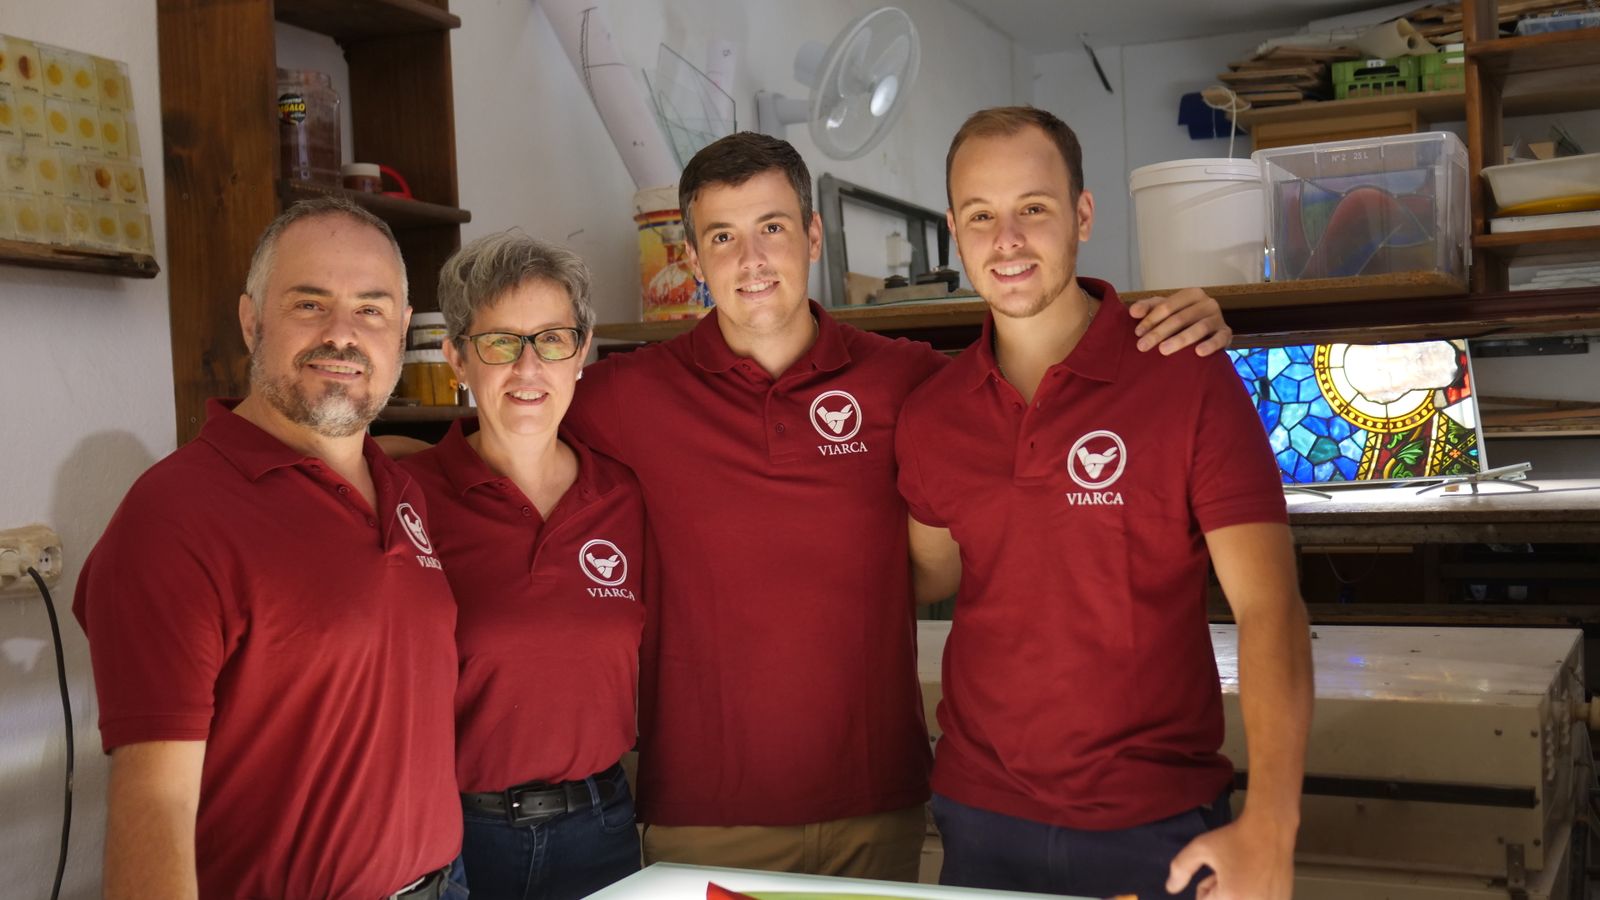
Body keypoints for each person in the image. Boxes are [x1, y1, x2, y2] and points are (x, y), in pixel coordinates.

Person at [555, 131, 1239, 881]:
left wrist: (1166, 318)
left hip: (879, 802)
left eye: (773, 227)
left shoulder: (907, 380)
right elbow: (504, 437)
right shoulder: (626, 397)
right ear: (691, 257)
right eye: (723, 236)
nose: (751, 259)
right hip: (708, 812)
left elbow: (1038, 339)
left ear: (813, 235)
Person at [896, 106, 1312, 900]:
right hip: (980, 815)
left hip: (1154, 820)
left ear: (1083, 215)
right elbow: (931, 569)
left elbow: (1271, 609)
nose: (1007, 240)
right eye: (981, 216)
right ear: (955, 230)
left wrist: (1272, 822)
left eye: (1034, 209)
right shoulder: (932, 412)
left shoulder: (1185, 374)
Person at [72, 197, 464, 899]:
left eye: (372, 310)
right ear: (252, 320)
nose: (343, 335)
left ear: (403, 331)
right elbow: (154, 804)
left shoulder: (404, 493)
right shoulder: (172, 519)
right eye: (310, 305)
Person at [398, 232, 647, 900]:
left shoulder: (625, 496)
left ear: (582, 351)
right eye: (501, 342)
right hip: (455, 842)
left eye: (553, 339)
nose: (529, 367)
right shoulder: (405, 496)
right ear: (456, 358)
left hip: (603, 829)